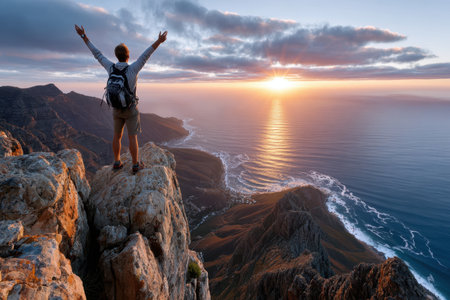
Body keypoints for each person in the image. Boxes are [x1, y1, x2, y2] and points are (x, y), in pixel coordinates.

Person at [74, 24, 167, 174]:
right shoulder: (133, 69)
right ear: (128, 55)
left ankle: (117, 162)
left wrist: (84, 36)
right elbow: (146, 54)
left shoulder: (110, 68)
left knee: (116, 137)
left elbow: (97, 54)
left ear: (116, 55)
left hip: (116, 109)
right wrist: (159, 41)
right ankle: (136, 165)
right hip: (130, 110)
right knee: (132, 138)